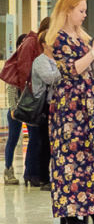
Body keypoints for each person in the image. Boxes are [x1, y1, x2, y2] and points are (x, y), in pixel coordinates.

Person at [47, 0, 94, 224]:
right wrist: (93, 53)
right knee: (70, 156)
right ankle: (71, 210)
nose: (84, 15)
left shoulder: (82, 37)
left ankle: (93, 207)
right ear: (68, 11)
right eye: (81, 11)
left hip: (90, 102)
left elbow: (86, 67)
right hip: (69, 105)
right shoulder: (57, 38)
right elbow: (71, 69)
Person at [24, 17, 54, 189]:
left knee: (45, 141)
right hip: (43, 106)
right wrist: (67, 70)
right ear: (44, 43)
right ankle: (42, 177)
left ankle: (42, 175)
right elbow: (50, 78)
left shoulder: (53, 60)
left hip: (51, 105)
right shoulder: (41, 61)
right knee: (42, 142)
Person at [2, 33, 29, 185]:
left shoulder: (30, 61)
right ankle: (8, 169)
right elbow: (11, 88)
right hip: (16, 108)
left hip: (29, 108)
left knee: (33, 139)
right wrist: (13, 108)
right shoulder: (15, 63)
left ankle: (31, 171)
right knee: (12, 138)